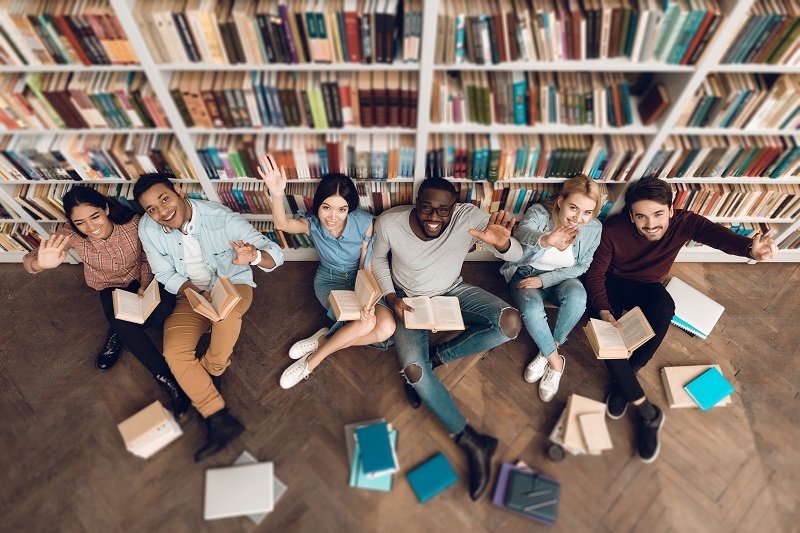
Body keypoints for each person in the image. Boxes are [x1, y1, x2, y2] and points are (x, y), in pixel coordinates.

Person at [585, 176, 778, 463]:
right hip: (610, 285)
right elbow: (595, 276)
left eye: (658, 214)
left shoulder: (685, 223)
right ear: (631, 216)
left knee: (665, 308)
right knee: (602, 332)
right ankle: (645, 410)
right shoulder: (612, 231)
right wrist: (603, 310)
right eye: (642, 217)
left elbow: (719, 237)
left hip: (646, 287)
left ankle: (628, 376)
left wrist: (750, 248)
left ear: (671, 210)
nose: (651, 224)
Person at [371, 177, 523, 501]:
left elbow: (516, 253)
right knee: (414, 372)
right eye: (427, 207)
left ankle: (438, 358)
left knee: (509, 323)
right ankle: (471, 441)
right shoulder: (389, 223)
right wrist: (391, 297)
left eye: (443, 209)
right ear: (416, 201)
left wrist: (503, 244)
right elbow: (377, 260)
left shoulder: (467, 217)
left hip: (453, 292)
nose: (434, 217)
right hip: (408, 301)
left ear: (454, 207)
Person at [133, 173, 284, 462]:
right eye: (151, 209)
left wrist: (252, 256)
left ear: (179, 191)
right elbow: (164, 274)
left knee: (227, 317)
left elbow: (275, 255)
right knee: (174, 352)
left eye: (164, 199)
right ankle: (219, 420)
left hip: (232, 285)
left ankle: (212, 370)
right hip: (188, 295)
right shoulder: (147, 228)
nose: (161, 212)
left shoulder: (222, 218)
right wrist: (193, 293)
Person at [22, 186, 190, 419]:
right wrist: (42, 264)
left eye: (95, 216)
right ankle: (169, 381)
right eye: (80, 222)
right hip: (110, 287)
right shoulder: (69, 235)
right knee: (122, 319)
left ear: (106, 208)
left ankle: (119, 332)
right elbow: (30, 260)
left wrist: (144, 283)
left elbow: (146, 256)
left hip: (144, 280)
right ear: (71, 222)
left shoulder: (134, 224)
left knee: (164, 307)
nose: (91, 227)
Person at [258, 155, 395, 389]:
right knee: (363, 326)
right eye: (326, 208)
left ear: (349, 208)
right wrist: (277, 193)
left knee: (386, 327)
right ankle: (311, 363)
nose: (333, 217)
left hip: (359, 281)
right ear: (318, 204)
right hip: (328, 280)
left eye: (341, 209)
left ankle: (323, 340)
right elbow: (282, 226)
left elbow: (367, 266)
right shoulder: (311, 223)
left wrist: (367, 302)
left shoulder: (363, 222)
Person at [500, 175, 603, 402]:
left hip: (562, 279)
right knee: (532, 309)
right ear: (560, 201)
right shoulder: (539, 213)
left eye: (587, 212)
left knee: (578, 298)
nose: (579, 218)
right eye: (573, 208)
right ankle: (556, 363)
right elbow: (522, 233)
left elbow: (583, 265)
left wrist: (545, 281)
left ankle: (548, 350)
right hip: (527, 272)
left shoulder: (594, 228)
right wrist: (546, 240)